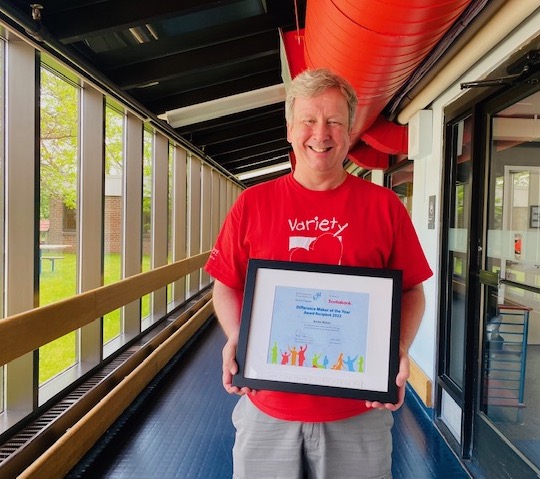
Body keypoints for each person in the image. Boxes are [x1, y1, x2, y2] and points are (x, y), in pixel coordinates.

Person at [204, 68, 433, 478]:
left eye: (333, 122)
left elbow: (412, 291)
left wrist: (396, 347)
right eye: (309, 120)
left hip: (358, 414)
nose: (320, 133)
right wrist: (239, 336)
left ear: (349, 133)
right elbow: (226, 285)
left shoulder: (385, 207)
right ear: (291, 129)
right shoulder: (252, 204)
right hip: (267, 407)